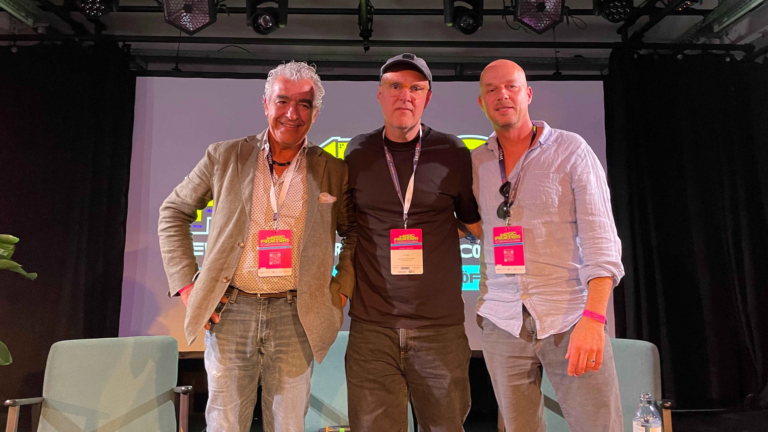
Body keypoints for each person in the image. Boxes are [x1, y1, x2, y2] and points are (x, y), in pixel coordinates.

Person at [158, 61, 356, 432]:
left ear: (315, 112)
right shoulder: (224, 155)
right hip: (231, 311)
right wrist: (186, 285)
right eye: (282, 101)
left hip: (296, 315)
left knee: (288, 425)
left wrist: (340, 290)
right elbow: (173, 211)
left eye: (304, 104)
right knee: (225, 425)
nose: (292, 114)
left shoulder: (333, 169)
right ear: (266, 104)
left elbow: (355, 232)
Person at [472, 59, 625, 431]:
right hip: (502, 320)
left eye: (511, 86)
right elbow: (481, 227)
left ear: (527, 94)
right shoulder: (477, 162)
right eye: (491, 89)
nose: (502, 95)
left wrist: (594, 320)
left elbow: (602, 243)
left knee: (598, 427)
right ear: (481, 102)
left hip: (569, 317)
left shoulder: (571, 150)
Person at [344, 53, 482, 431]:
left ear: (427, 98)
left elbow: (472, 222)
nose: (405, 96)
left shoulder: (453, 153)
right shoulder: (357, 152)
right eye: (395, 86)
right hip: (372, 329)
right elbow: (348, 225)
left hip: (440, 330)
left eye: (416, 88)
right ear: (380, 95)